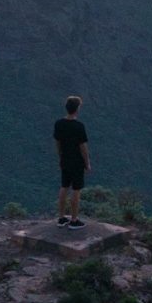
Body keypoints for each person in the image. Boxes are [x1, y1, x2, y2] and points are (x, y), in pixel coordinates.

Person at [53, 93, 90, 226]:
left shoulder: (59, 124)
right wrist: (87, 163)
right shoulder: (79, 126)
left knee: (64, 186)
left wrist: (60, 157)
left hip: (65, 159)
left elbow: (57, 143)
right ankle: (74, 220)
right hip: (77, 162)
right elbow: (83, 148)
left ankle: (61, 217)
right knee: (76, 189)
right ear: (77, 109)